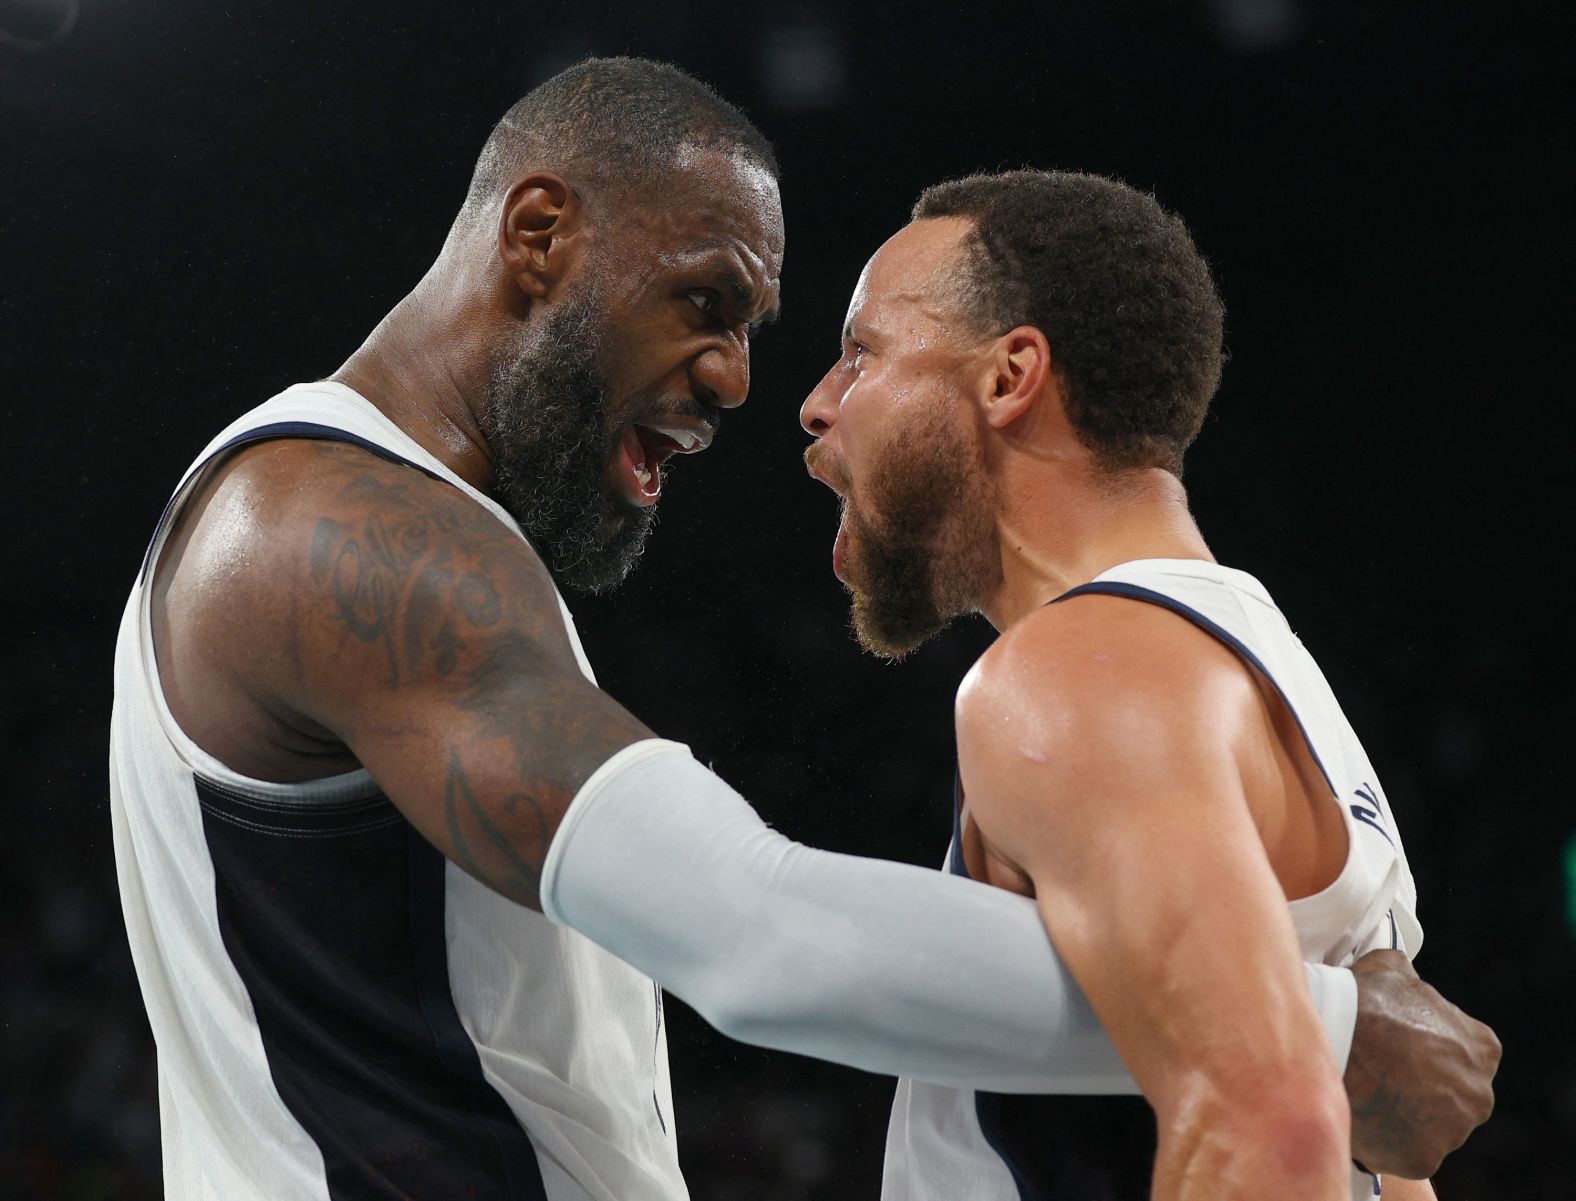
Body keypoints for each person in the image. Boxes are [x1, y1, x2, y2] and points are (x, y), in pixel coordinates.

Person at [110, 58, 1497, 1200]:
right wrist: (1304, 1026)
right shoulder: (332, 533)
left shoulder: (1132, 664)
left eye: (822, 342)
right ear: (538, 238)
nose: (746, 383)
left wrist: (1265, 1033)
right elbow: (755, 933)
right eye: (706, 300)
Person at [784, 168, 1460, 1198]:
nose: (818, 405)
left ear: (1010, 376)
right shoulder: (1250, 662)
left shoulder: (1079, 676)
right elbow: (1392, 1161)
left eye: (860, 352)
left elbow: (1268, 1132)